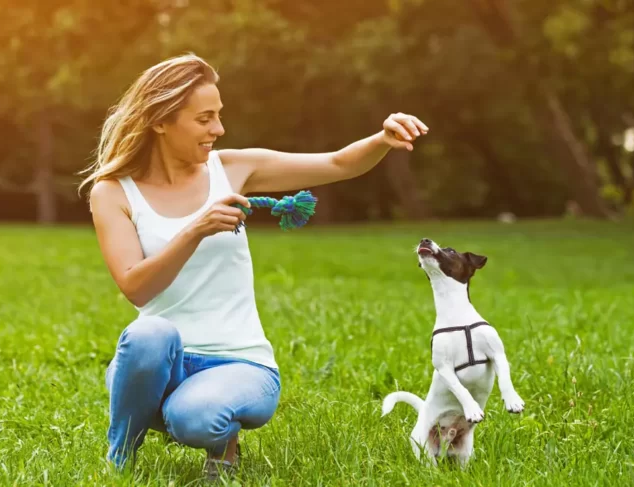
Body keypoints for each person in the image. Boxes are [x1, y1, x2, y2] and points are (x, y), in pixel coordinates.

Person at [79, 53, 428, 480]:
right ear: (160, 121)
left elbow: (338, 163)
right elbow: (136, 288)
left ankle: (213, 432)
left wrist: (381, 139)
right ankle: (120, 457)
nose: (218, 129)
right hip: (161, 363)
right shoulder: (113, 192)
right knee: (149, 332)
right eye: (204, 119)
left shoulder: (233, 168)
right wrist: (195, 230)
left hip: (239, 364)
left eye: (219, 116)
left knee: (194, 418)